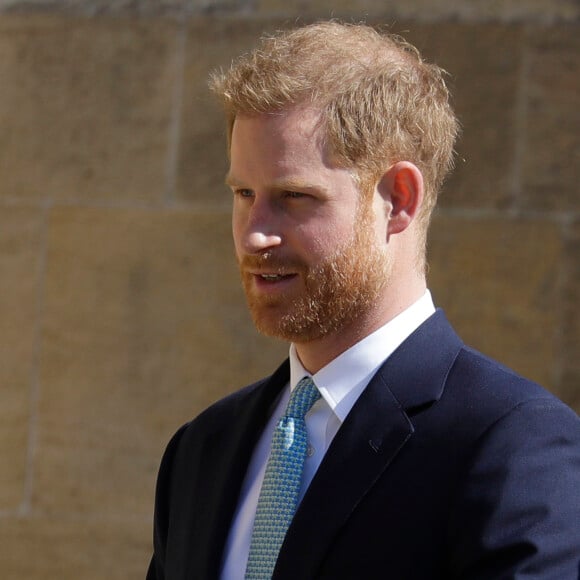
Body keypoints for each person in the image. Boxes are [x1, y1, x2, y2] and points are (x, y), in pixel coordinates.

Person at [147, 21, 580, 580]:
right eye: (243, 194)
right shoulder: (202, 449)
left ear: (398, 199)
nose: (255, 234)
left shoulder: (516, 449)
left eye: (294, 197)